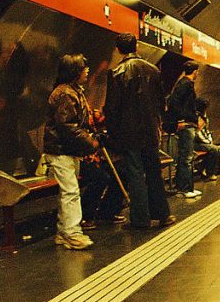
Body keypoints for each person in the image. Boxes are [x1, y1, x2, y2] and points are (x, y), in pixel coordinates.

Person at [105, 33, 175, 230]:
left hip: (129, 134)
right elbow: (162, 102)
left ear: (118, 49)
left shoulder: (117, 72)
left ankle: (140, 219)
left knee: (135, 174)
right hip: (151, 132)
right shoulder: (154, 70)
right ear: (136, 47)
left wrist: (112, 133)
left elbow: (112, 107)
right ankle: (163, 214)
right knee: (154, 173)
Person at [43, 54, 100, 249]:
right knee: (70, 192)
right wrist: (91, 142)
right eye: (83, 68)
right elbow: (66, 126)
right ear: (74, 71)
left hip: (67, 150)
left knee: (69, 191)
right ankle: (72, 233)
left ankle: (63, 232)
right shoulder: (65, 94)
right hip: (61, 150)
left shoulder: (73, 91)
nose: (87, 71)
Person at [80, 108, 126, 230]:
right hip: (79, 156)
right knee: (100, 177)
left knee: (122, 172)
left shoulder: (85, 107)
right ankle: (86, 215)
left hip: (92, 154)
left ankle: (108, 211)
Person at [166, 60, 201, 198]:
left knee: (185, 156)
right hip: (186, 125)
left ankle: (183, 187)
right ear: (195, 72)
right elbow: (173, 102)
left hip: (186, 123)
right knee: (186, 157)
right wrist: (179, 121)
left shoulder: (183, 83)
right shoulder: (185, 84)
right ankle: (186, 189)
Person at [194, 97, 220, 180]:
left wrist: (210, 140)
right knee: (214, 149)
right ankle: (210, 173)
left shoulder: (204, 117)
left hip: (203, 142)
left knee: (215, 149)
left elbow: (206, 130)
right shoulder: (196, 117)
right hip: (196, 143)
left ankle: (203, 168)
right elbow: (197, 133)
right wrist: (208, 142)